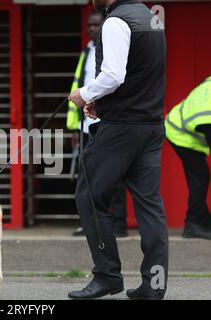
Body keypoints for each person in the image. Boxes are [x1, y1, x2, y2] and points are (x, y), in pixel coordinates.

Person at [68, 0, 168, 300]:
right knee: (150, 207)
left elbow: (113, 75)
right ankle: (155, 285)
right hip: (150, 126)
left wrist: (84, 94)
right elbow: (142, 74)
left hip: (121, 129)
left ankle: (107, 275)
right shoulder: (152, 19)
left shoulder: (115, 21)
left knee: (89, 196)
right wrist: (105, 102)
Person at [67, 11, 128, 238]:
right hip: (86, 122)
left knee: (115, 174)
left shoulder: (115, 46)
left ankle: (118, 224)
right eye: (89, 25)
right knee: (88, 175)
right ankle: (90, 223)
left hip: (109, 120)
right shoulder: (87, 51)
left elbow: (113, 80)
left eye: (96, 25)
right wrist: (74, 126)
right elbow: (79, 85)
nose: (92, 28)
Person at [165, 76, 211, 240]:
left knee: (199, 176)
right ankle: (193, 223)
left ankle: (203, 219)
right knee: (201, 175)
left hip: (178, 118)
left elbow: (207, 79)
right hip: (177, 133)